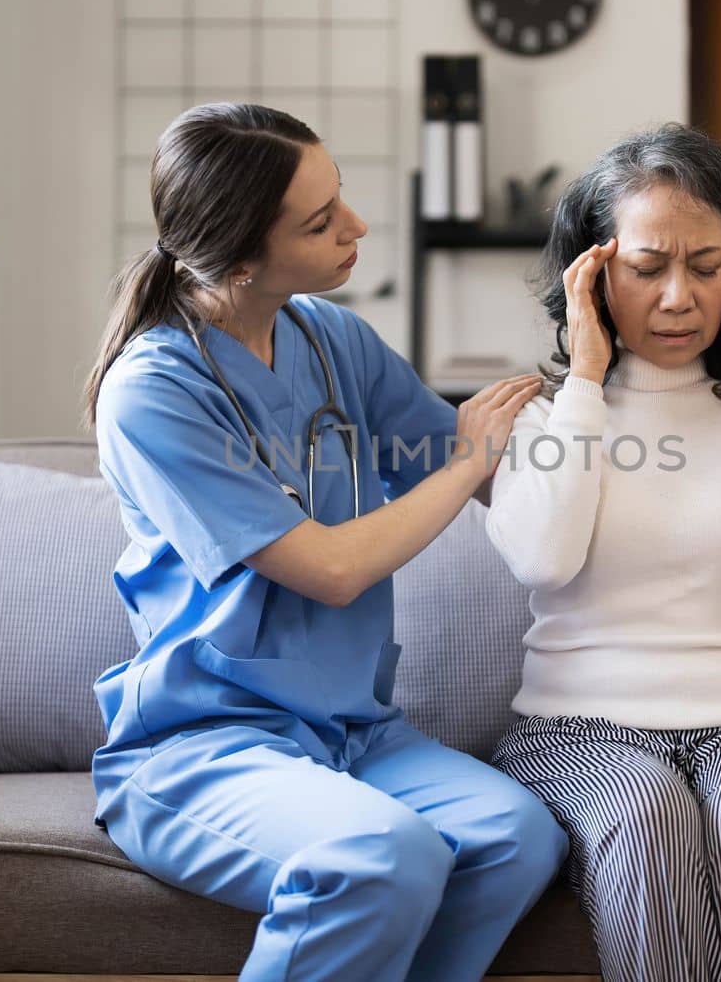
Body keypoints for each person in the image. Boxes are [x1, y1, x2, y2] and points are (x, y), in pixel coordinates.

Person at [80, 102, 568, 982]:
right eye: (320, 221)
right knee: (381, 854)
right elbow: (333, 569)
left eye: (339, 195)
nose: (357, 225)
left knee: (515, 836)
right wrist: (464, 465)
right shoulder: (151, 391)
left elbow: (496, 476)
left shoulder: (330, 335)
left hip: (352, 734)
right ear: (239, 255)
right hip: (205, 746)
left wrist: (609, 394)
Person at [485, 122, 721, 982]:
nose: (677, 298)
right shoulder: (549, 421)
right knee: (647, 811)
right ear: (593, 274)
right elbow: (543, 558)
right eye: (647, 267)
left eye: (705, 265)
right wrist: (586, 376)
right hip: (580, 733)